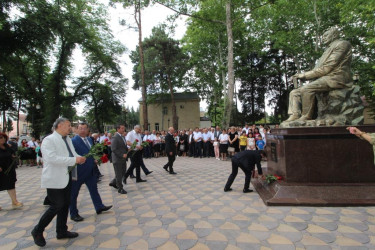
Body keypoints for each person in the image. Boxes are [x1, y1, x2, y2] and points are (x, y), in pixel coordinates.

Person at [31, 117, 86, 247]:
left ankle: (61, 230)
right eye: (68, 125)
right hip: (54, 179)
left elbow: (72, 154)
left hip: (67, 177)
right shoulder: (49, 140)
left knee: (65, 204)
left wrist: (79, 157)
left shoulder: (67, 139)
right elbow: (51, 159)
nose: (70, 128)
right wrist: (74, 160)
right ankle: (37, 230)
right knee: (57, 205)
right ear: (59, 126)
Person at [286, 27, 353, 121]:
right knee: (294, 92)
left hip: (335, 77)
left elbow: (328, 68)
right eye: (323, 36)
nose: (323, 38)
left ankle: (306, 116)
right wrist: (302, 76)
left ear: (334, 35)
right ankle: (295, 115)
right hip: (325, 77)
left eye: (326, 35)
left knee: (306, 89)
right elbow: (319, 69)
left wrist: (305, 75)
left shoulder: (342, 44)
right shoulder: (328, 49)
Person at [70, 122, 112, 222]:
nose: (83, 130)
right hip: (79, 171)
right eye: (80, 128)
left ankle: (99, 206)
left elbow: (91, 152)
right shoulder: (73, 141)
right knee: (74, 193)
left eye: (85, 128)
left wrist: (95, 159)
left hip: (90, 170)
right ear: (76, 130)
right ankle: (73, 213)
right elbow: (71, 155)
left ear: (88, 130)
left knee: (94, 189)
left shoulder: (89, 139)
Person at [0, 132, 23, 211]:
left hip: (9, 169)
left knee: (11, 184)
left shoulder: (7, 147)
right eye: (0, 138)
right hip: (1, 170)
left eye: (3, 137)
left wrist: (14, 157)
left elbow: (11, 154)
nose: (2, 139)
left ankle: (14, 202)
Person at [110, 124, 129, 194]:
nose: (123, 129)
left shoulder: (122, 136)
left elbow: (123, 146)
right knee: (118, 174)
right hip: (117, 159)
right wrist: (121, 154)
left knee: (123, 172)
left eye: (124, 128)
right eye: (122, 128)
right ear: (118, 129)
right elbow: (113, 149)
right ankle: (120, 188)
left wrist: (128, 149)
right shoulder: (115, 137)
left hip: (123, 159)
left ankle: (114, 182)